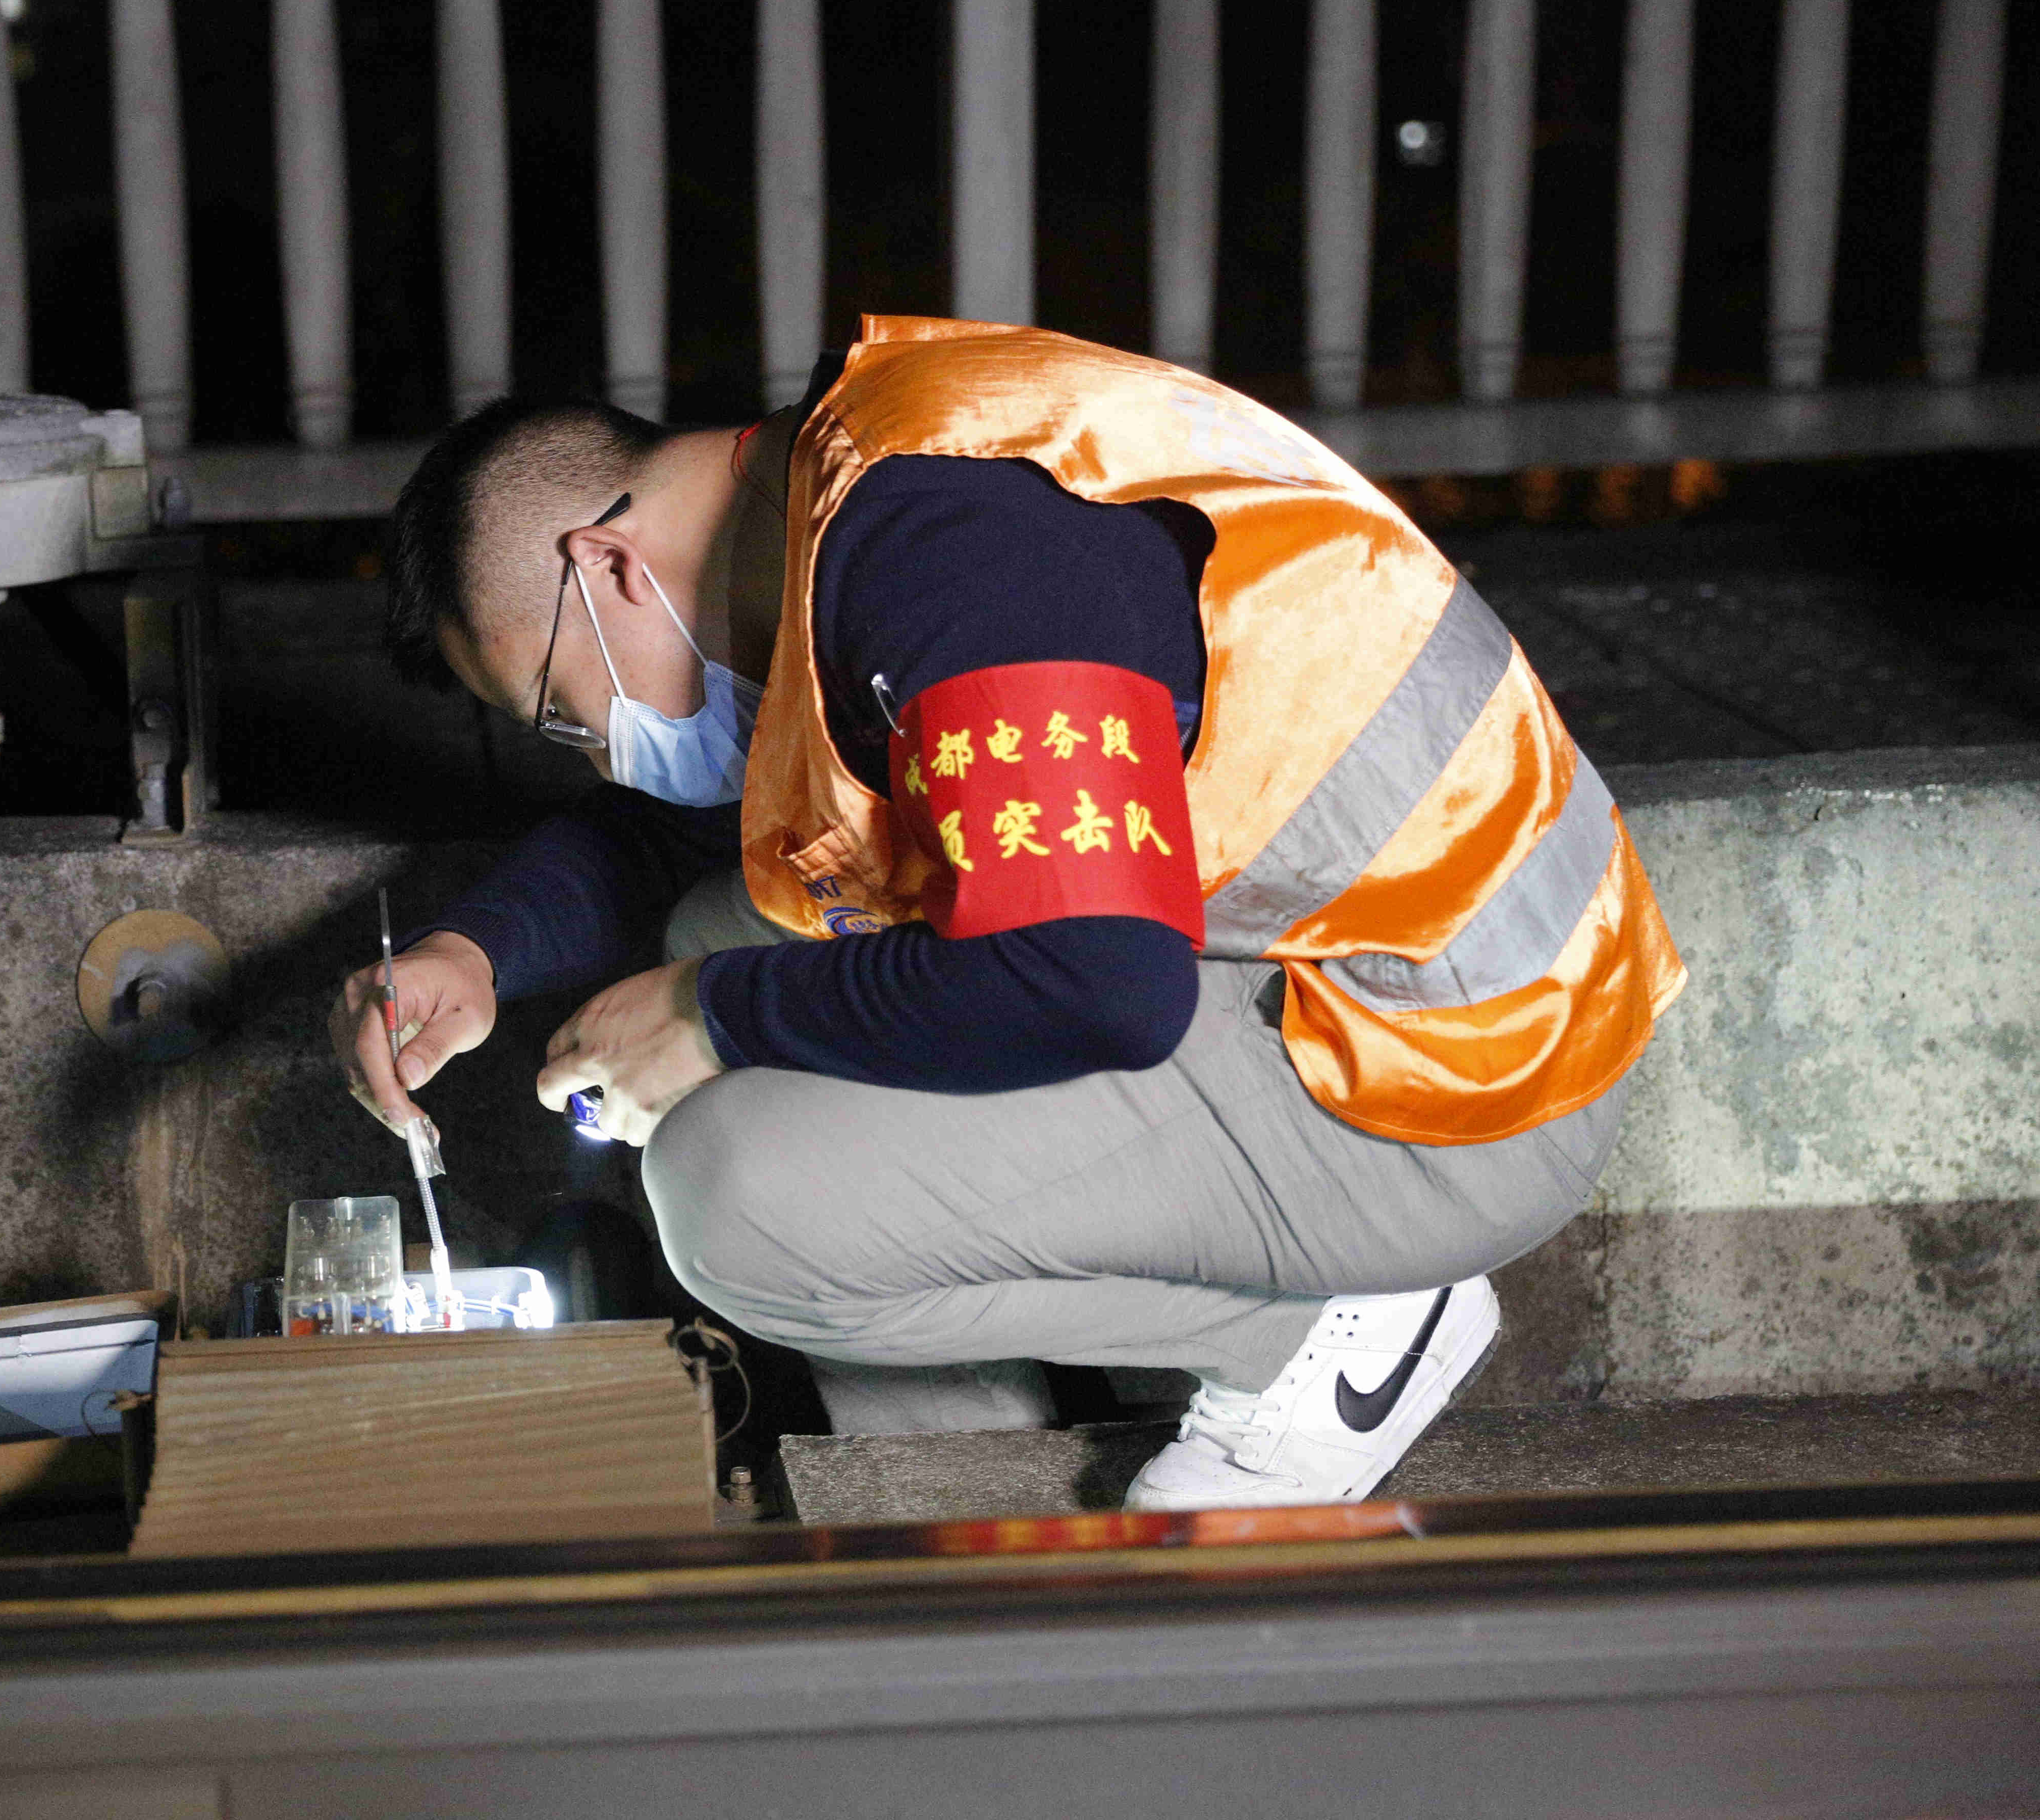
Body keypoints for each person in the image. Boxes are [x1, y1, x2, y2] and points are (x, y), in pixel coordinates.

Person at [329, 316, 1684, 1509]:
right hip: (1362, 977)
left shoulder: (940, 556)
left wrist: (715, 1021)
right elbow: (697, 836)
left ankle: (1335, 1334)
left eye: (566, 713)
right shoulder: (838, 487)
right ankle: (950, 1461)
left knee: (729, 1191)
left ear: (610, 566)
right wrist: (479, 950)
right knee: (726, 926)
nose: (594, 749)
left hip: (1456, 1084)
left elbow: (1096, 979)